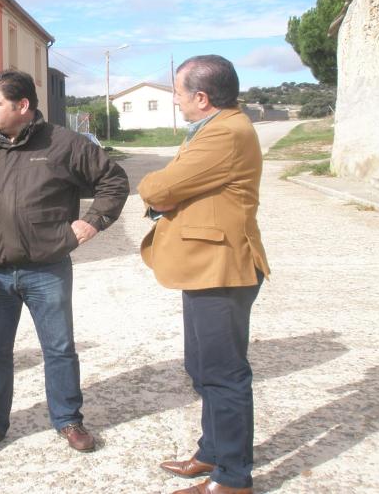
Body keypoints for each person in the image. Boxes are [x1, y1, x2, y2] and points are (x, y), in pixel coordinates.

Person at [0, 70, 129, 457]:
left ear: (23, 105)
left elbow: (113, 181)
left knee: (59, 348)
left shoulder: (65, 144)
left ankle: (69, 420)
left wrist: (90, 223)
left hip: (47, 269)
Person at [138, 56, 270, 494]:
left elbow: (159, 188)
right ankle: (213, 451)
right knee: (202, 368)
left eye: (178, 93)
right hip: (205, 268)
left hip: (222, 270)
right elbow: (174, 187)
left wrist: (159, 191)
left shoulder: (225, 133)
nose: (175, 101)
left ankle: (232, 478)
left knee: (224, 375)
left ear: (201, 97)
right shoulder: (212, 128)